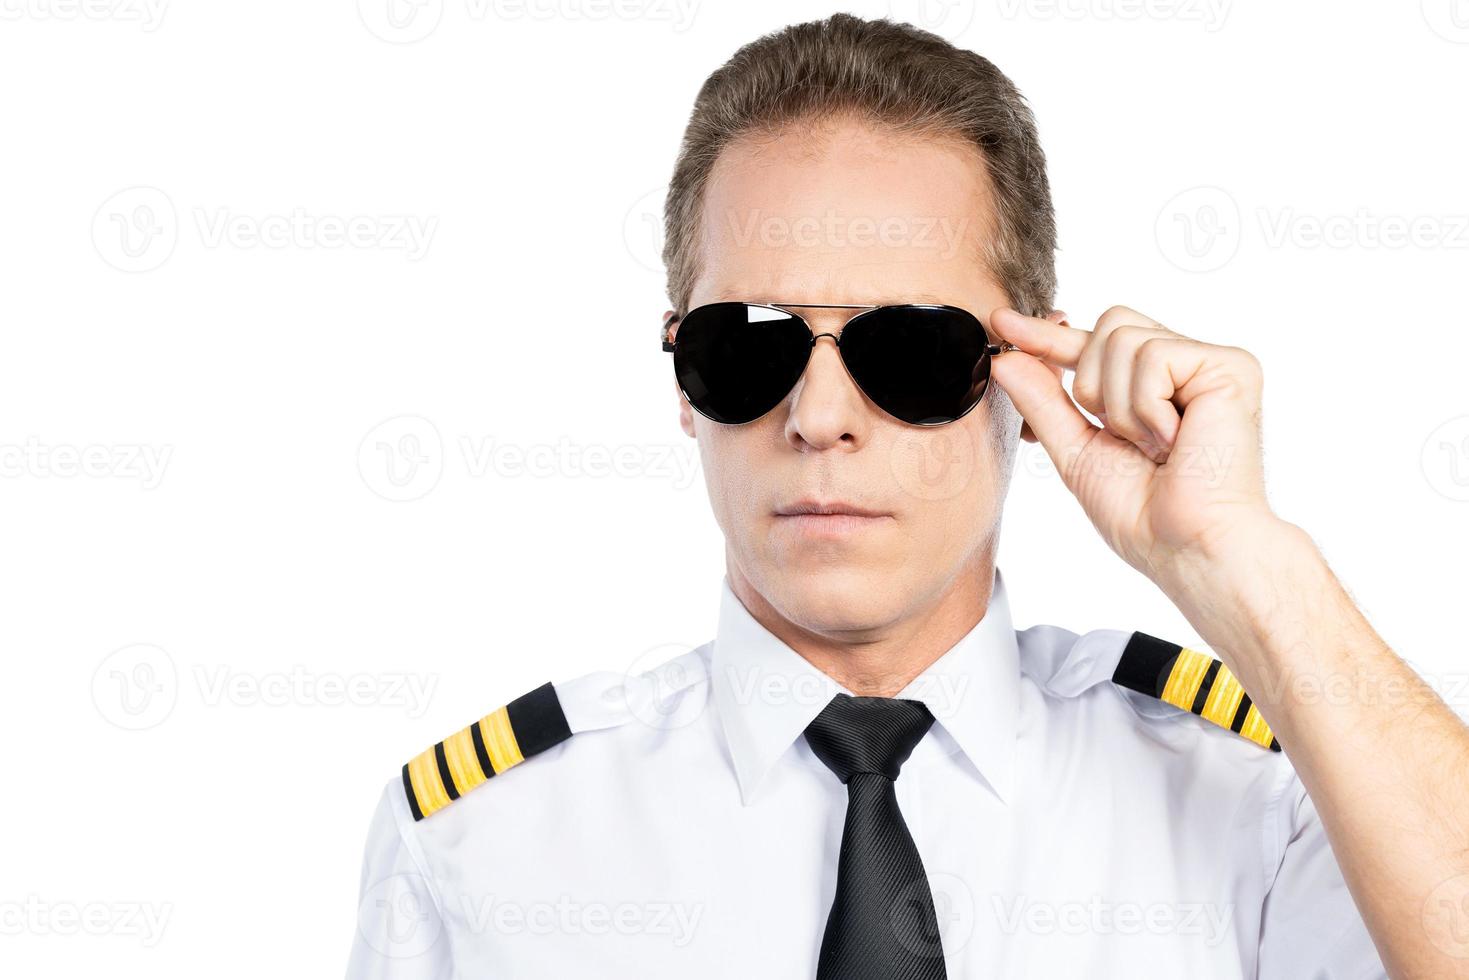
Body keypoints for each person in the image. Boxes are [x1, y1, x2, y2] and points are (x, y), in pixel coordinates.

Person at [346, 14, 1469, 979]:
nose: (819, 413)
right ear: (680, 379)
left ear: (1028, 372)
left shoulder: (1262, 798)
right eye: (746, 347)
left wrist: (1246, 566)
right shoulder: (479, 839)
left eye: (911, 348)